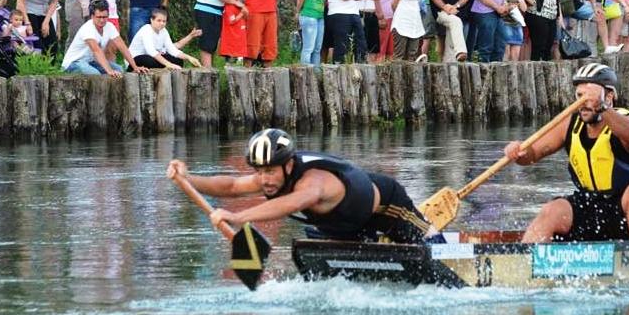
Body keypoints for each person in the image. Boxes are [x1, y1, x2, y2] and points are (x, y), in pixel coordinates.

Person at [166, 129, 440, 244]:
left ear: (287, 166)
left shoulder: (313, 180)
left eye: (270, 171)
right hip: (346, 227)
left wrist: (237, 217)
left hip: (387, 207)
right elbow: (233, 186)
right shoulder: (270, 179)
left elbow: (296, 202)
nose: (264, 179)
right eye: (259, 172)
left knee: (430, 246)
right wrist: (189, 178)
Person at [503, 63, 629, 242]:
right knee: (552, 210)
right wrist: (517, 152)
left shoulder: (625, 122)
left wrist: (600, 106)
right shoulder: (569, 124)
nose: (583, 103)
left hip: (625, 210)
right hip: (589, 206)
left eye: (589, 96)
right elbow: (532, 153)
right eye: (579, 96)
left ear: (609, 97)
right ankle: (525, 259)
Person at [60, 0, 146, 76]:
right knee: (95, 74)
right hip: (74, 63)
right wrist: (109, 71)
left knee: (119, 69)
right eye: (99, 17)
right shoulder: (87, 28)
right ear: (92, 16)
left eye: (104, 17)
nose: (102, 20)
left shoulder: (110, 26)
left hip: (91, 62)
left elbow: (122, 47)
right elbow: (96, 51)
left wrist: (134, 67)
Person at [128, 8, 202, 70]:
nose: (162, 23)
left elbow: (172, 50)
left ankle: (168, 71)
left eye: (164, 21)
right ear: (151, 20)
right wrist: (169, 64)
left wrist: (189, 58)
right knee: (150, 61)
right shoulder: (146, 30)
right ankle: (166, 68)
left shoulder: (164, 31)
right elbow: (152, 52)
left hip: (153, 58)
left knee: (177, 60)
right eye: (159, 20)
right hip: (136, 60)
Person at [218, 0, 248, 64]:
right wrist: (241, 14)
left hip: (239, 41)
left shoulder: (238, 5)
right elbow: (231, 20)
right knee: (231, 65)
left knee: (239, 64)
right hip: (232, 43)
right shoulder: (229, 6)